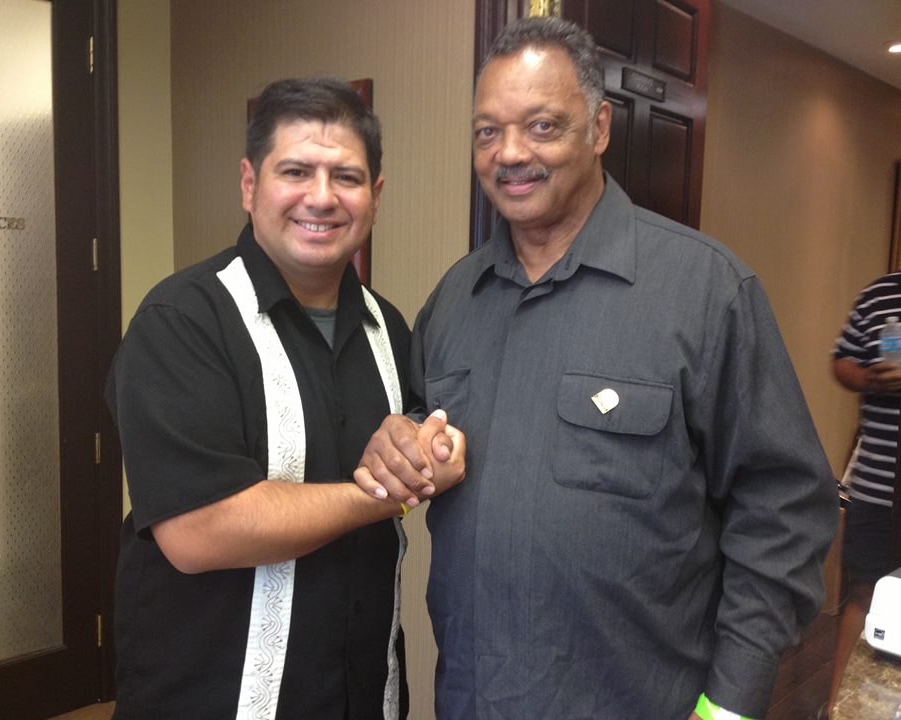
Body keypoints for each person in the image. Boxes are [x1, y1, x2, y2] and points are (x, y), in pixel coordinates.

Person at [356, 17, 838, 720]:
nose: (509, 153)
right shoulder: (454, 302)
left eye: (542, 127)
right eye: (487, 132)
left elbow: (785, 512)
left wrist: (730, 705)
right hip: (474, 700)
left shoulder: (704, 292)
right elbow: (407, 458)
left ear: (601, 128)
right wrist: (391, 449)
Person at [106, 77, 464, 720]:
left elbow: (415, 433)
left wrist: (427, 443)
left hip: (363, 692)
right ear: (250, 185)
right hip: (210, 698)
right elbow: (198, 529)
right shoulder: (183, 321)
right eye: (295, 171)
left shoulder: (389, 327)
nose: (321, 198)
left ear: (375, 196)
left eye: (346, 177)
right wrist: (377, 496)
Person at [823, 271, 901, 718]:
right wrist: (871, 379)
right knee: (864, 594)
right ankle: (837, 709)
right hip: (877, 478)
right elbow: (842, 360)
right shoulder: (879, 293)